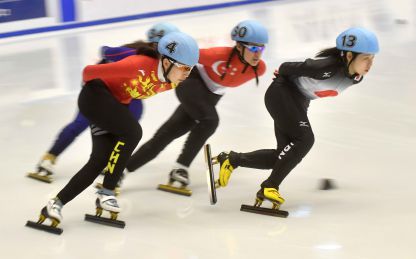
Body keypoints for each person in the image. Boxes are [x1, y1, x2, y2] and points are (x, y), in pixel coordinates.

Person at [29, 32, 199, 230]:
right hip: (95, 97)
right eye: (185, 68)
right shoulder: (138, 64)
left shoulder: (172, 82)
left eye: (192, 68)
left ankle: (54, 204)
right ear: (167, 62)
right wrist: (95, 99)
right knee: (133, 131)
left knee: (99, 160)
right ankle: (107, 192)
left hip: (113, 105)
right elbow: (88, 72)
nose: (188, 73)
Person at [213, 27, 379, 209]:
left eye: (372, 59)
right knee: (305, 139)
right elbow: (285, 67)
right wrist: (281, 77)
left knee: (282, 157)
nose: (369, 64)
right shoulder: (326, 67)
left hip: (298, 102)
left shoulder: (356, 77)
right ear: (348, 56)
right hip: (281, 94)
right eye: (365, 59)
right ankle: (269, 187)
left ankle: (231, 160)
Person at [124, 20, 268, 195]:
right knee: (210, 121)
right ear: (238, 46)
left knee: (166, 134)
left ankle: (121, 170)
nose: (257, 54)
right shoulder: (217, 54)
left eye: (261, 48)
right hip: (191, 84)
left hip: (208, 98)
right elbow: (177, 55)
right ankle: (182, 167)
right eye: (253, 48)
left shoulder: (259, 69)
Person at [27, 22, 180, 183]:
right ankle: (50, 157)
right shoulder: (134, 52)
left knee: (131, 122)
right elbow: (105, 51)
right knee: (81, 122)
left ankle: (111, 161)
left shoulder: (165, 63)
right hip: (102, 91)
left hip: (128, 94)